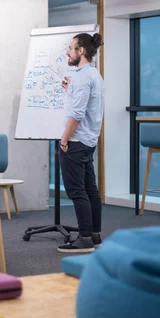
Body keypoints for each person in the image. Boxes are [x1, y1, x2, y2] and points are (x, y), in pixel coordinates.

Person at [57, 33, 104, 253]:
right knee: (90, 189)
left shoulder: (83, 77)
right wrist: (70, 90)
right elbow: (84, 104)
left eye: (70, 48)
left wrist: (64, 139)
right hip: (89, 140)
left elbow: (76, 113)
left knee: (77, 191)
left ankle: (84, 238)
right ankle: (94, 234)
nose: (67, 51)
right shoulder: (93, 75)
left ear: (81, 51)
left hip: (76, 141)